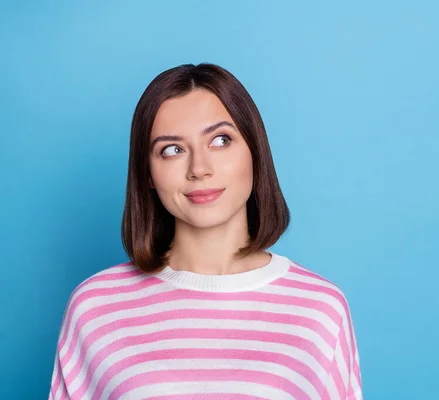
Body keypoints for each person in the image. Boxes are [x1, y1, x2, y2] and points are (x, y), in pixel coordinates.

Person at [48, 63, 363, 399]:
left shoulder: (320, 309)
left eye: (220, 140)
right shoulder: (94, 308)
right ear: (148, 174)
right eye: (172, 150)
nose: (199, 169)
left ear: (255, 151)